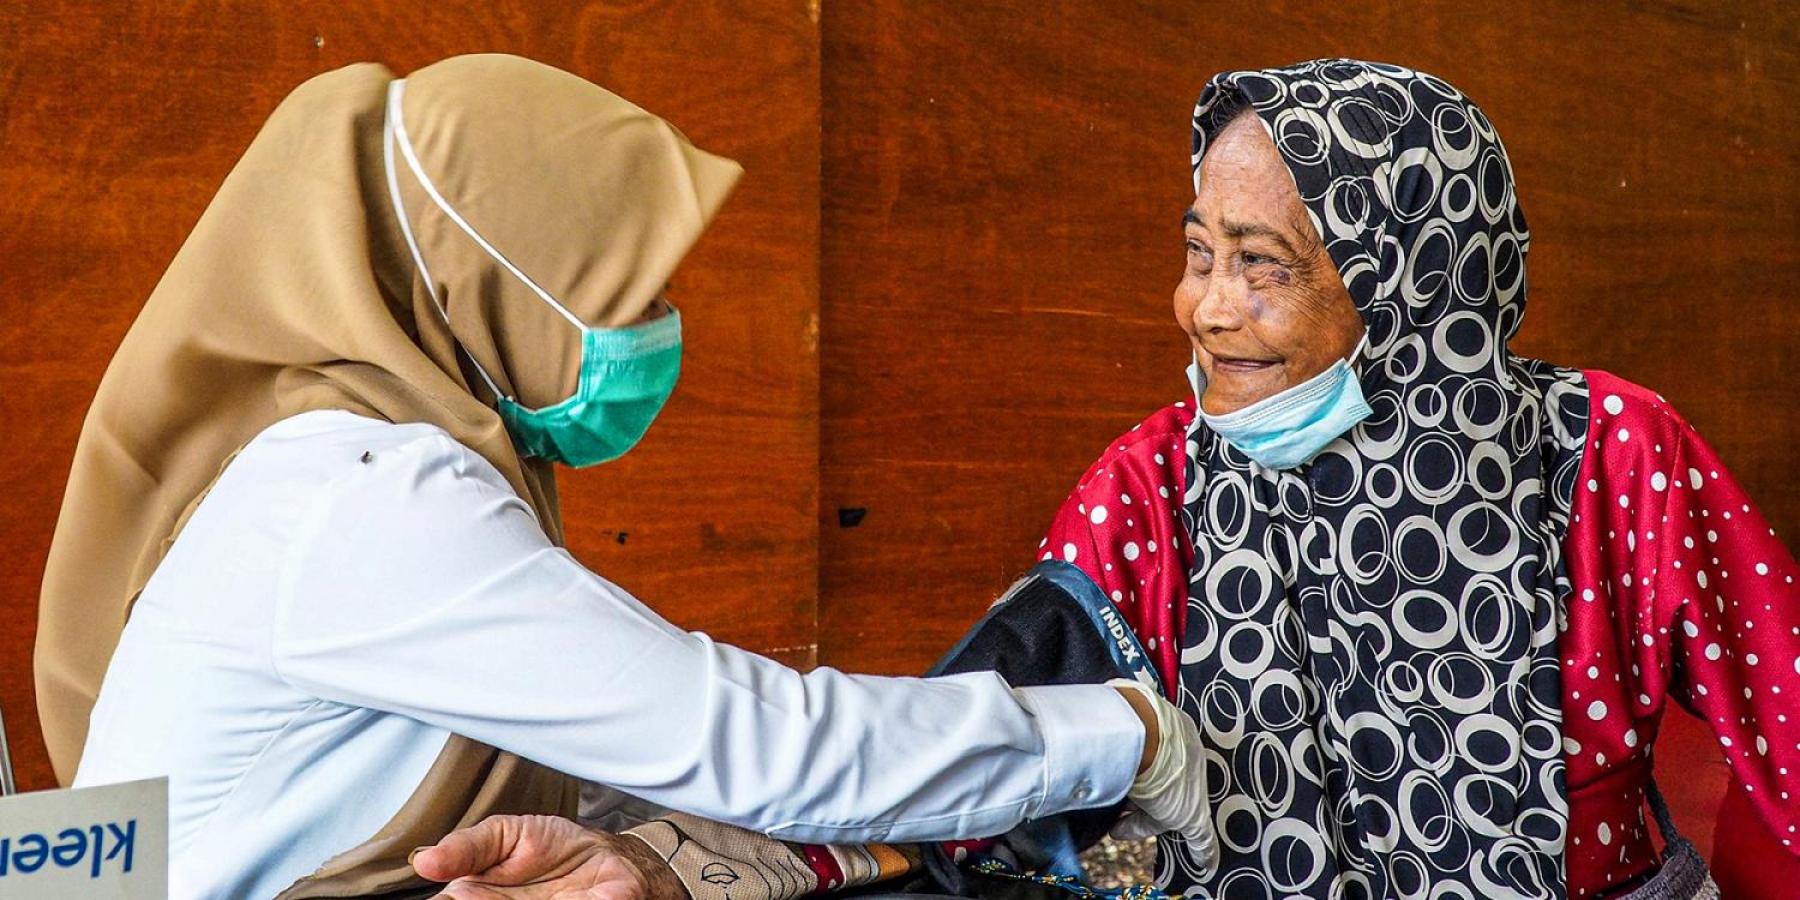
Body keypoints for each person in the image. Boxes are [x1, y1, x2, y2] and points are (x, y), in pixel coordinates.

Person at [418, 59, 1799, 900]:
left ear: (1412, 285)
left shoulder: (1609, 455)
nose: (1201, 309)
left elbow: (1789, 729)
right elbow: (987, 745)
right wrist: (669, 869)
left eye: (1264, 265)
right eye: (1197, 249)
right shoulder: (1153, 486)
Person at [33, 54, 1212, 899]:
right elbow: (762, 748)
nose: (657, 326)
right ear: (491, 286)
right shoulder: (371, 500)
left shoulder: (354, 458)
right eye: (621, 293)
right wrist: (1122, 734)